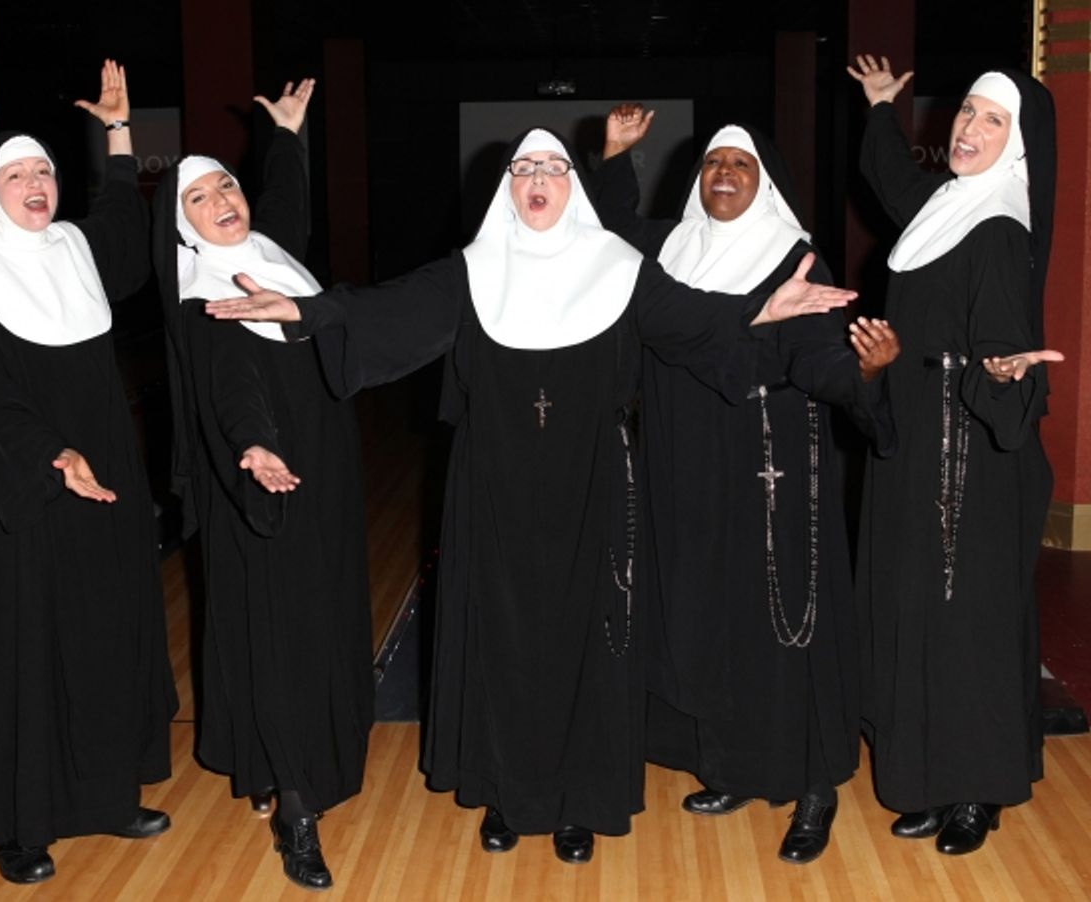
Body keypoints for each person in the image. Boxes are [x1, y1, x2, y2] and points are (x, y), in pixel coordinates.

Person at [202, 127, 856, 864]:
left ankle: (580, 801)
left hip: (594, 487)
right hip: (494, 488)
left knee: (588, 642)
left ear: (572, 185)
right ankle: (506, 795)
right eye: (524, 168)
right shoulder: (473, 271)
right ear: (508, 186)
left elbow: (697, 321)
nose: (537, 177)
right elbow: (383, 311)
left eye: (552, 166)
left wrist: (763, 309)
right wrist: (305, 311)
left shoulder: (618, 267)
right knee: (502, 639)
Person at [591, 110, 899, 864]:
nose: (724, 174)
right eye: (713, 163)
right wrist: (614, 159)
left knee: (784, 624)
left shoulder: (794, 258)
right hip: (686, 467)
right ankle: (732, 766)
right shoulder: (670, 248)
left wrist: (861, 372)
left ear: (765, 185)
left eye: (741, 164)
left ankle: (814, 786)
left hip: (772, 471)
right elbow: (607, 237)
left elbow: (816, 355)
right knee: (709, 615)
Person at [0, 60, 176, 884]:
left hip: (104, 484)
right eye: (18, 174)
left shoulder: (73, 248)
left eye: (43, 171)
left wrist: (117, 133)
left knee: (104, 633)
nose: (36, 184)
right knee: (29, 649)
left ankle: (108, 795)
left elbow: (124, 231)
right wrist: (52, 454)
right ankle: (19, 824)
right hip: (28, 493)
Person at [153, 78, 372, 891]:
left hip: (325, 467)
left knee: (319, 616)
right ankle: (296, 808)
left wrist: (285, 136)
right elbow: (233, 385)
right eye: (200, 198)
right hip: (260, 476)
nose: (222, 202)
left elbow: (286, 206)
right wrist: (253, 446)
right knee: (279, 636)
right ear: (183, 224)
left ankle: (278, 757)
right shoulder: (206, 298)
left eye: (227, 186)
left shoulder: (269, 256)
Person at [847, 55, 1062, 855]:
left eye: (992, 120)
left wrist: (1003, 374)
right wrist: (880, 107)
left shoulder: (1000, 228)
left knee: (964, 618)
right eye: (968, 111)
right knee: (915, 607)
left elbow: (1006, 347)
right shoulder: (946, 202)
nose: (970, 128)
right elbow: (892, 180)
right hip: (916, 438)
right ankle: (928, 777)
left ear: (1018, 143)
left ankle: (976, 789)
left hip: (970, 456)